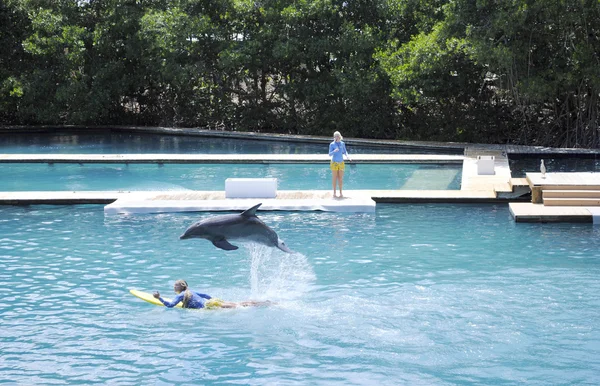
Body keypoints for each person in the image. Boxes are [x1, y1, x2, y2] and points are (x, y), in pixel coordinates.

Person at [153, 279, 271, 309]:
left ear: (181, 287)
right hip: (213, 302)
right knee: (238, 303)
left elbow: (170, 305)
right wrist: (215, 299)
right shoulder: (191, 291)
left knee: (239, 306)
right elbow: (205, 295)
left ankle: (263, 304)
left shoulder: (180, 295)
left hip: (210, 306)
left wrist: (159, 298)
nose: (174, 287)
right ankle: (263, 302)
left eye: (176, 285)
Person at [328, 131, 352, 198]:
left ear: (340, 136)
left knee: (340, 178)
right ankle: (334, 193)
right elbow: (329, 154)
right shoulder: (332, 144)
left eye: (337, 136)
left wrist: (348, 157)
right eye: (335, 136)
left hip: (341, 162)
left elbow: (345, 151)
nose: (336, 137)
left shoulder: (342, 143)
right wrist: (334, 151)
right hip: (334, 163)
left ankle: (341, 192)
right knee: (334, 178)